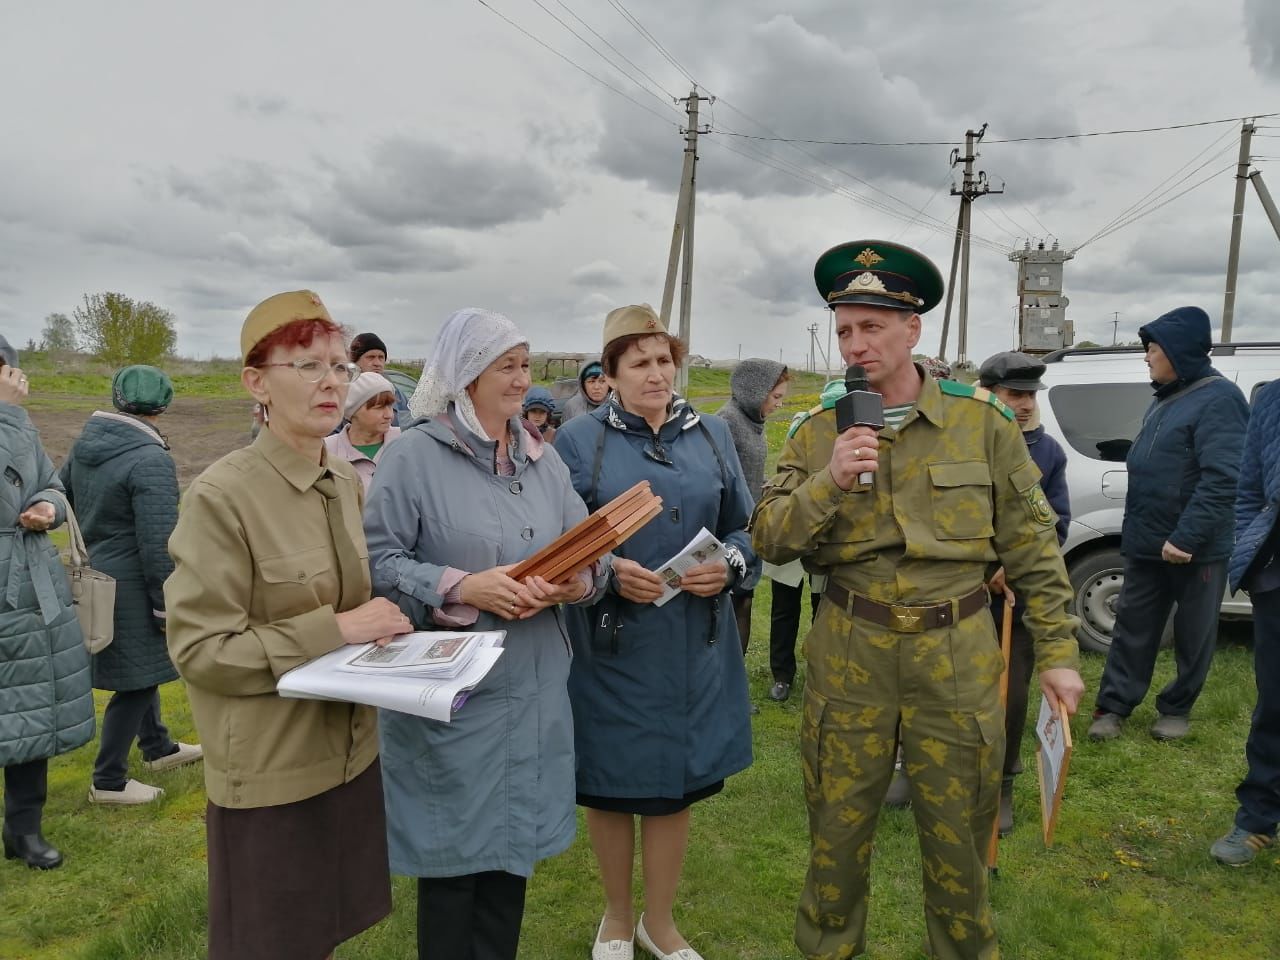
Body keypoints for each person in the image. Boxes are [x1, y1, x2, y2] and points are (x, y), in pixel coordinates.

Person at [752, 241, 1084, 960]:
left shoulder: (984, 423)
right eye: (844, 330)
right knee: (835, 843)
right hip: (851, 654)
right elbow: (770, 540)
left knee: (960, 845)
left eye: (872, 326)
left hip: (956, 658)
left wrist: (1057, 655)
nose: (856, 344)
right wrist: (828, 481)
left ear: (913, 330)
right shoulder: (816, 433)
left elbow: (1033, 548)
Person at [164, 291, 412, 960]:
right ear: (256, 382)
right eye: (306, 365)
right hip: (274, 775)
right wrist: (338, 628)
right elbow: (202, 651)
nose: (332, 381)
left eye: (338, 365)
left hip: (349, 754)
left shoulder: (339, 475)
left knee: (321, 936)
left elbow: (352, 609)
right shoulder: (222, 496)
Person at [364, 308, 606, 960]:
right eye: (507, 365)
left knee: (508, 867)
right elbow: (377, 564)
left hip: (532, 696)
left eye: (525, 365)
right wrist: (461, 586)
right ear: (465, 374)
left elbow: (592, 554)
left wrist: (575, 582)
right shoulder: (412, 457)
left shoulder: (542, 462)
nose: (521, 380)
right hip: (455, 702)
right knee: (453, 869)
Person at [555, 304, 760, 960]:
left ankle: (659, 923)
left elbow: (744, 528)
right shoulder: (579, 442)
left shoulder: (711, 436)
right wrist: (612, 570)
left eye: (664, 360)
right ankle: (616, 919)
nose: (656, 373)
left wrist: (728, 565)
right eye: (639, 362)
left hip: (695, 640)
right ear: (608, 375)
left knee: (677, 783)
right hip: (613, 642)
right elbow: (560, 541)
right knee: (612, 782)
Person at [1088, 306, 1249, 743]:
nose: (1146, 358)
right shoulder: (1166, 398)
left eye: (1152, 349)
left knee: (1194, 634)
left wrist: (1186, 537)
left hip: (1195, 546)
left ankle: (1176, 708)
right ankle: (1114, 706)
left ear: (1176, 352)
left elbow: (1224, 477)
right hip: (1146, 541)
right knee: (1131, 627)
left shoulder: (1220, 400)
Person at [60, 365, 202, 807]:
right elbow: (159, 544)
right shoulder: (152, 458)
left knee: (143, 668)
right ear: (163, 405)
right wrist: (166, 603)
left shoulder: (84, 447)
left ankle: (157, 746)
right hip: (133, 583)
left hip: (99, 572)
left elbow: (62, 495)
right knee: (136, 682)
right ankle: (109, 780)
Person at [0, 337, 94, 870]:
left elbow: (49, 485)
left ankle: (24, 830)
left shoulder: (16, 423)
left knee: (28, 711)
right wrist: (7, 418)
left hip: (27, 589)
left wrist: (47, 507)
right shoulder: (11, 419)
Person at [978, 351, 1071, 835]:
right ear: (988, 393)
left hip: (1014, 603)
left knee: (1009, 696)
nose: (1026, 404)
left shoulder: (1048, 451)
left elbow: (1056, 523)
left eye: (1031, 394)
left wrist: (1011, 569)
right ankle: (914, 766)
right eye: (1015, 394)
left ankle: (1002, 784)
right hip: (959, 598)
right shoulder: (962, 441)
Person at [1211, 378, 1280, 864]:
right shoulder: (1272, 399)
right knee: (1275, 705)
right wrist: (1252, 553)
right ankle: (1257, 819)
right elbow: (1249, 489)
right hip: (1279, 581)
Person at [718, 359, 789, 657]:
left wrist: (767, 485)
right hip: (731, 531)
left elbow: (745, 471)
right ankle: (721, 686)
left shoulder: (752, 422)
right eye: (776, 397)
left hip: (750, 528)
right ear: (755, 391)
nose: (779, 405)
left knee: (744, 603)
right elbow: (720, 478)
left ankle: (735, 687)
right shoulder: (727, 422)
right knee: (729, 610)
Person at [323, 371, 401, 495]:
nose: (389, 415)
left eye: (390, 406)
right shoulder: (326, 451)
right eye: (379, 407)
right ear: (354, 411)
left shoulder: (405, 442)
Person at [350, 331, 412, 425]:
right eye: (371, 357)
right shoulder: (344, 392)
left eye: (381, 357)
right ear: (355, 361)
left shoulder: (395, 392)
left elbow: (411, 421)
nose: (377, 363)